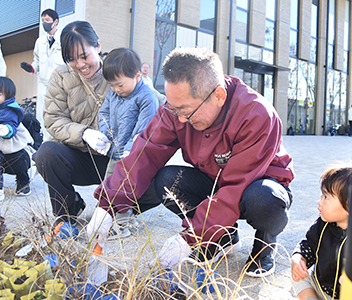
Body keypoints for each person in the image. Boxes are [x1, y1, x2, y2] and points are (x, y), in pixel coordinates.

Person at [87, 47, 295, 278]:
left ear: (219, 95)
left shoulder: (256, 114)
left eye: (185, 110)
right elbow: (144, 153)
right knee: (167, 181)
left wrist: (190, 238)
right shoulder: (176, 110)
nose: (179, 119)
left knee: (264, 198)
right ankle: (222, 238)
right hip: (214, 180)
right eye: (173, 108)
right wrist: (107, 205)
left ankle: (265, 246)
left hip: (256, 184)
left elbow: (236, 185)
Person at [32, 21, 112, 228]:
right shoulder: (61, 76)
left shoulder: (116, 71)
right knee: (47, 152)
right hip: (77, 156)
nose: (80, 64)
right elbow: (52, 118)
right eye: (71, 59)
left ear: (98, 46)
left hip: (112, 161)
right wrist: (84, 133)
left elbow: (148, 100)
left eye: (84, 56)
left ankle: (116, 211)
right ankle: (67, 211)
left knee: (153, 177)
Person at [99, 48, 159, 236]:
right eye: (111, 85)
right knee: (108, 185)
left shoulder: (147, 97)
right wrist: (105, 135)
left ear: (138, 76)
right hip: (114, 150)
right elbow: (104, 114)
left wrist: (129, 150)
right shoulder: (113, 94)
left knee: (123, 189)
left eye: (120, 85)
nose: (116, 90)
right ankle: (107, 219)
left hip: (133, 154)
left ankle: (123, 225)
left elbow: (144, 128)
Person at [291, 166, 350, 300]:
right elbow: (308, 244)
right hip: (320, 285)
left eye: (326, 197)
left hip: (345, 294)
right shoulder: (323, 224)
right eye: (322, 195)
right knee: (299, 277)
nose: (319, 201)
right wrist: (299, 258)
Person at [20, 8, 64, 139]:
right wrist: (31, 68)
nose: (45, 23)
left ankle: (57, 143)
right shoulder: (40, 41)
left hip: (60, 84)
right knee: (42, 115)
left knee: (58, 114)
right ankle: (43, 143)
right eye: (43, 20)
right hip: (43, 85)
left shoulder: (64, 39)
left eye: (48, 20)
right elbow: (37, 61)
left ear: (56, 21)